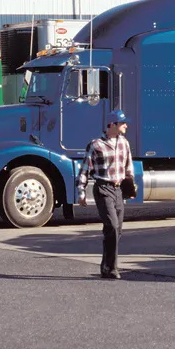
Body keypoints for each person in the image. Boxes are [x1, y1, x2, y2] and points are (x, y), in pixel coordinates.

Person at [78, 110, 134, 280]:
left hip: (118, 190)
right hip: (103, 188)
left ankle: (106, 267)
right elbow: (85, 170)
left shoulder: (124, 143)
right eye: (122, 122)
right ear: (112, 125)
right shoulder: (95, 145)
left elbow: (128, 167)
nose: (126, 125)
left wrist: (129, 188)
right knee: (112, 226)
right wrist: (81, 191)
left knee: (117, 230)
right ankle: (111, 268)